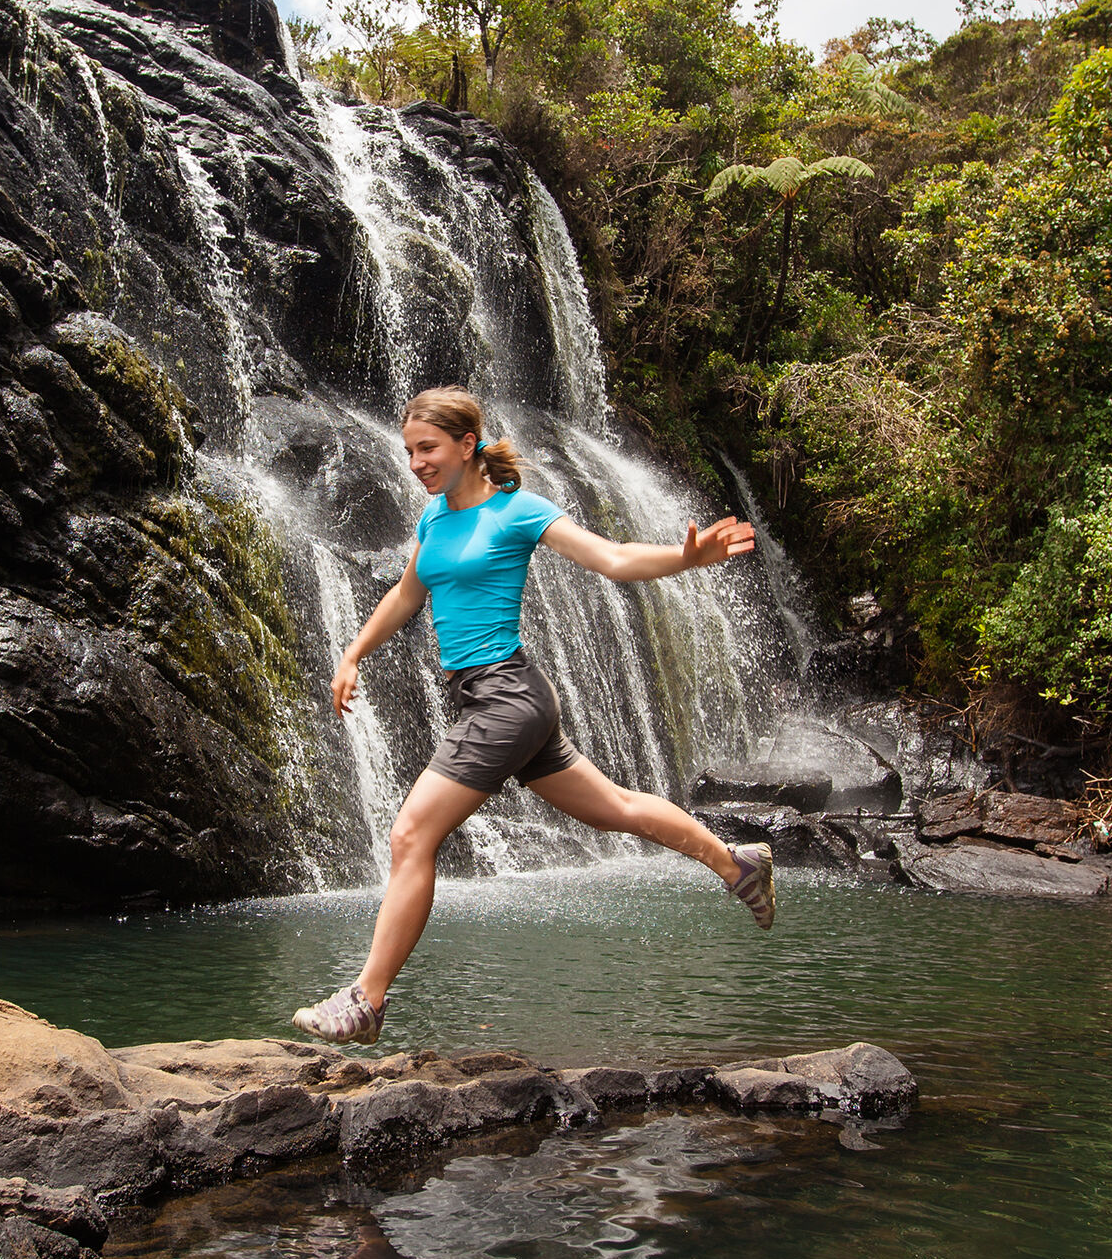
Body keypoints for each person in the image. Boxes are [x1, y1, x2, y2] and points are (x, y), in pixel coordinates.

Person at [292, 385, 772, 1046]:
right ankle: (736, 862)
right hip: (504, 699)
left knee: (410, 836)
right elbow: (406, 596)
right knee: (620, 808)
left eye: (427, 448)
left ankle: (366, 1000)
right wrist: (353, 653)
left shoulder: (518, 510)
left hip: (506, 698)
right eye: (408, 450)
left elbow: (614, 559)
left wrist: (684, 558)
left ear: (467, 444)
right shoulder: (433, 519)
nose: (415, 462)